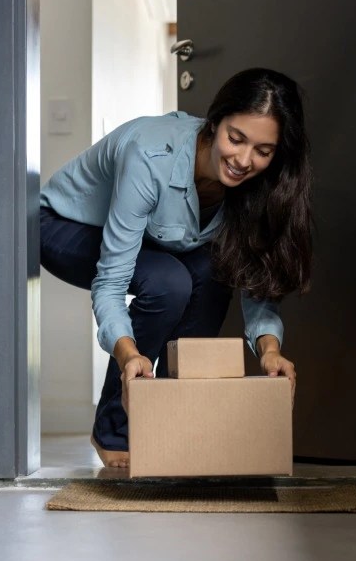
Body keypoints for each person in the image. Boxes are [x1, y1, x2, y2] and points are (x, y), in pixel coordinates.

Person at [38, 68, 312, 468]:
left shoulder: (259, 185)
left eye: (263, 151)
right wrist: (129, 354)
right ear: (214, 123)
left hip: (150, 240)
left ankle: (172, 417)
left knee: (218, 270)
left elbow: (257, 278)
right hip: (64, 225)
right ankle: (115, 425)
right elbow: (112, 282)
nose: (244, 160)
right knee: (169, 283)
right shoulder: (149, 156)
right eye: (235, 139)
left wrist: (270, 350)